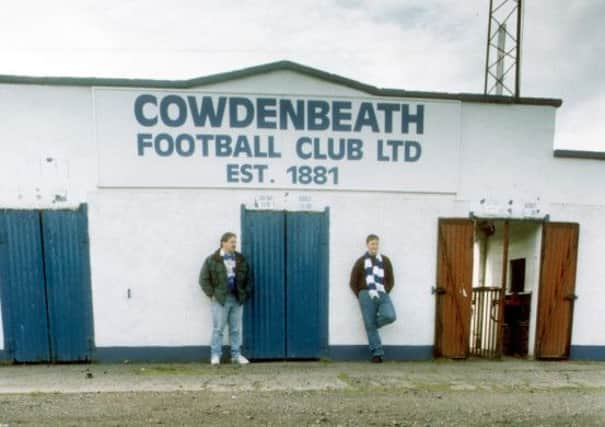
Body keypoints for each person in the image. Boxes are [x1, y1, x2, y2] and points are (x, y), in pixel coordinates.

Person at [199, 232, 253, 365]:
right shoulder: (212, 260)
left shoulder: (241, 259)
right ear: (223, 243)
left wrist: (244, 293)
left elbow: (249, 279)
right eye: (231, 242)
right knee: (218, 329)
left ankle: (236, 355)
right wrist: (212, 295)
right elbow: (203, 279)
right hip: (221, 299)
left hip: (237, 299)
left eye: (235, 242)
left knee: (235, 329)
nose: (234, 244)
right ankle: (215, 355)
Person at [349, 234, 397, 363]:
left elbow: (391, 279)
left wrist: (385, 291)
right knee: (369, 325)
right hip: (365, 294)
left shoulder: (385, 260)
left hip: (382, 293)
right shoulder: (360, 261)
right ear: (367, 245)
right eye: (372, 243)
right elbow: (353, 281)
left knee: (390, 316)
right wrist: (360, 295)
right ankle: (377, 353)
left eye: (376, 243)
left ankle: (372, 325)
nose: (374, 246)